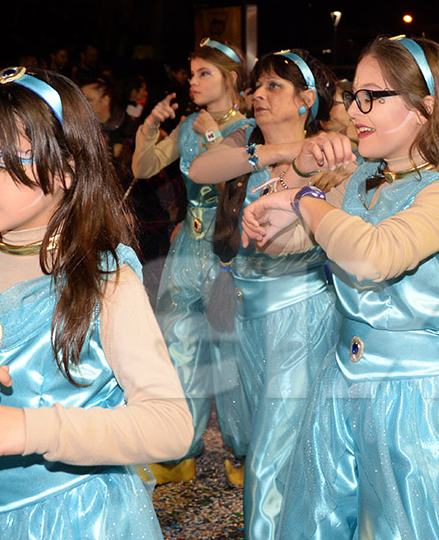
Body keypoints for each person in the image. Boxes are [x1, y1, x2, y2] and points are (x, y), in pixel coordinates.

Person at [237, 35, 439, 539]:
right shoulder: (362, 179)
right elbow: (292, 243)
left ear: (426, 107)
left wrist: (305, 196)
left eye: (374, 96)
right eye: (355, 96)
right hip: (342, 386)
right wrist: (280, 197)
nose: (356, 110)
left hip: (416, 400)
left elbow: (373, 257)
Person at [0, 67, 192, 538]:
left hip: (81, 519)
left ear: (67, 168)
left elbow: (171, 424)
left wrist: (36, 430)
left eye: (7, 158)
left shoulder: (101, 279)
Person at [189, 47, 341, 539]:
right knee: (267, 442)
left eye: (274, 86)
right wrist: (275, 153)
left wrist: (300, 165)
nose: (258, 95)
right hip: (247, 312)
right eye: (257, 86)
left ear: (307, 100)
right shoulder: (246, 147)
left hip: (301, 316)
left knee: (272, 454)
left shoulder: (330, 153)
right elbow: (200, 171)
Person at [131, 38, 249, 484]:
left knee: (230, 354)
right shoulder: (187, 125)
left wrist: (213, 136)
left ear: (231, 80)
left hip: (229, 250)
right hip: (187, 250)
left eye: (205, 73)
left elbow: (237, 184)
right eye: (192, 72)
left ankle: (243, 452)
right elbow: (144, 169)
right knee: (177, 348)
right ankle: (178, 451)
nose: (193, 81)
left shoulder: (251, 129)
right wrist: (152, 125)